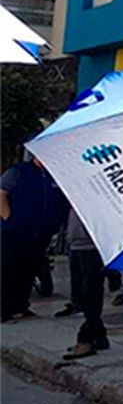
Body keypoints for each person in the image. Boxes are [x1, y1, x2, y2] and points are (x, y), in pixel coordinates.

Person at [1, 153, 65, 322]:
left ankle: (21, 306)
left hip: (41, 233)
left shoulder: (54, 174)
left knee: (29, 270)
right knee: (9, 270)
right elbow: (1, 193)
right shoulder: (18, 172)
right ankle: (4, 309)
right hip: (15, 232)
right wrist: (9, 218)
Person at [61, 208, 110, 359]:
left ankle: (86, 337)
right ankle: (98, 335)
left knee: (90, 295)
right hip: (77, 245)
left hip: (90, 248)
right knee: (82, 295)